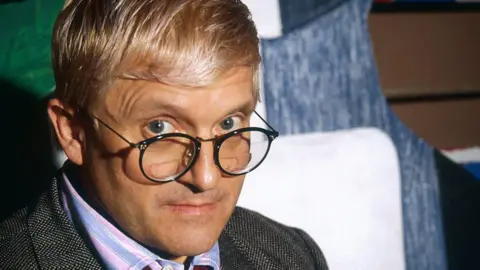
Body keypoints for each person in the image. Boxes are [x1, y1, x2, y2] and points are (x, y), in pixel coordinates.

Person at [0, 0, 328, 269]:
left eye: (228, 124)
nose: (207, 178)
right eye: (160, 129)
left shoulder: (291, 254)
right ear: (73, 132)